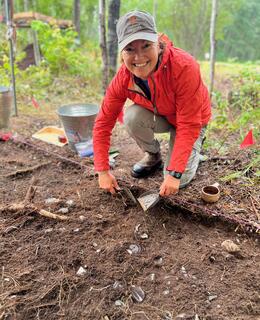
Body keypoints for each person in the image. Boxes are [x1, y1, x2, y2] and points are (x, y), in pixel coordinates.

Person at [93, 10, 211, 197]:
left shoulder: (184, 67)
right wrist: (102, 171)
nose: (138, 58)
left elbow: (188, 124)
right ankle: (153, 156)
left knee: (178, 179)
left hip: (192, 121)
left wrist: (175, 173)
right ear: (122, 52)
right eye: (130, 49)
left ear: (158, 43)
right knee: (131, 116)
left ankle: (195, 149)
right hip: (164, 114)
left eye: (146, 46)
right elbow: (103, 123)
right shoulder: (123, 79)